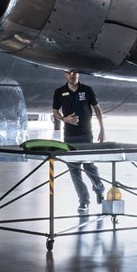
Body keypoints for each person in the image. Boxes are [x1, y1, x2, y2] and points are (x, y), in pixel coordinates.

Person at [52, 70, 109, 211]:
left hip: (86, 135)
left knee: (89, 166)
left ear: (79, 74)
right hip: (70, 137)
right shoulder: (59, 92)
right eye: (68, 73)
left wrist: (102, 130)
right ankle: (84, 201)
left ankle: (99, 189)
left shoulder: (87, 90)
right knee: (74, 170)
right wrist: (65, 119)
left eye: (75, 72)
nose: (72, 75)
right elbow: (55, 112)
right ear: (65, 74)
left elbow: (97, 110)